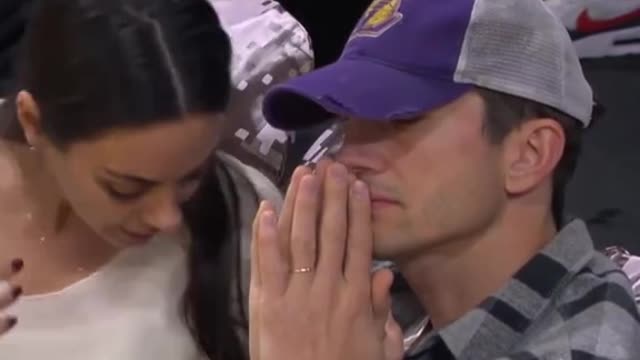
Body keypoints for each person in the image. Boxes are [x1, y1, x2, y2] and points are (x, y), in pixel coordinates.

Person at [250, 0, 640, 359]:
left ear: (529, 154)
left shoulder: (587, 347)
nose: (350, 157)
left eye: (402, 119)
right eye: (347, 123)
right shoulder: (366, 301)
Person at [0, 0, 282, 359]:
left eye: (191, 176)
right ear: (33, 121)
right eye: (126, 189)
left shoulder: (249, 214)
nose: (168, 218)